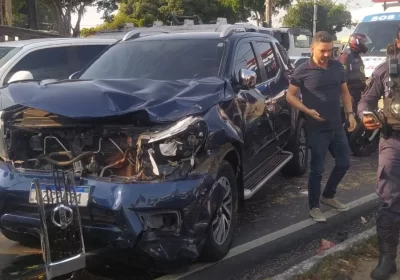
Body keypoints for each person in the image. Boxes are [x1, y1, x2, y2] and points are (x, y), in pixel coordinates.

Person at [286, 31, 357, 223]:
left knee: (344, 163)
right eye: (323, 51)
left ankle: (328, 195)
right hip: (317, 128)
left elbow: (344, 92)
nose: (327, 54)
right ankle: (314, 207)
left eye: (330, 50)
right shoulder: (302, 70)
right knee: (317, 169)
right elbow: (290, 95)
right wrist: (307, 111)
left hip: (337, 125)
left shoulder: (336, 66)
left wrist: (350, 114)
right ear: (312, 49)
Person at [358, 28, 400, 280]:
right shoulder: (386, 69)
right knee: (389, 200)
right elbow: (366, 100)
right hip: (393, 141)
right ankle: (387, 259)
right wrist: (366, 116)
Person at [338, 33, 370, 114]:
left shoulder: (356, 55)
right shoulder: (346, 56)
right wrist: (348, 94)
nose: (365, 45)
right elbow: (342, 76)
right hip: (351, 92)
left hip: (358, 92)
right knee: (352, 118)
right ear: (356, 42)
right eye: (363, 43)